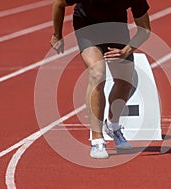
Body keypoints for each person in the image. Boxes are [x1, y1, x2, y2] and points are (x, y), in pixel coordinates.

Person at [51, 0, 151, 159]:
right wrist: (57, 34)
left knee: (124, 83)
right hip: (87, 27)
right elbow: (58, 3)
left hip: (116, 28)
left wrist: (126, 51)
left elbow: (145, 30)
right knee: (97, 75)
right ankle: (97, 140)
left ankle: (113, 125)